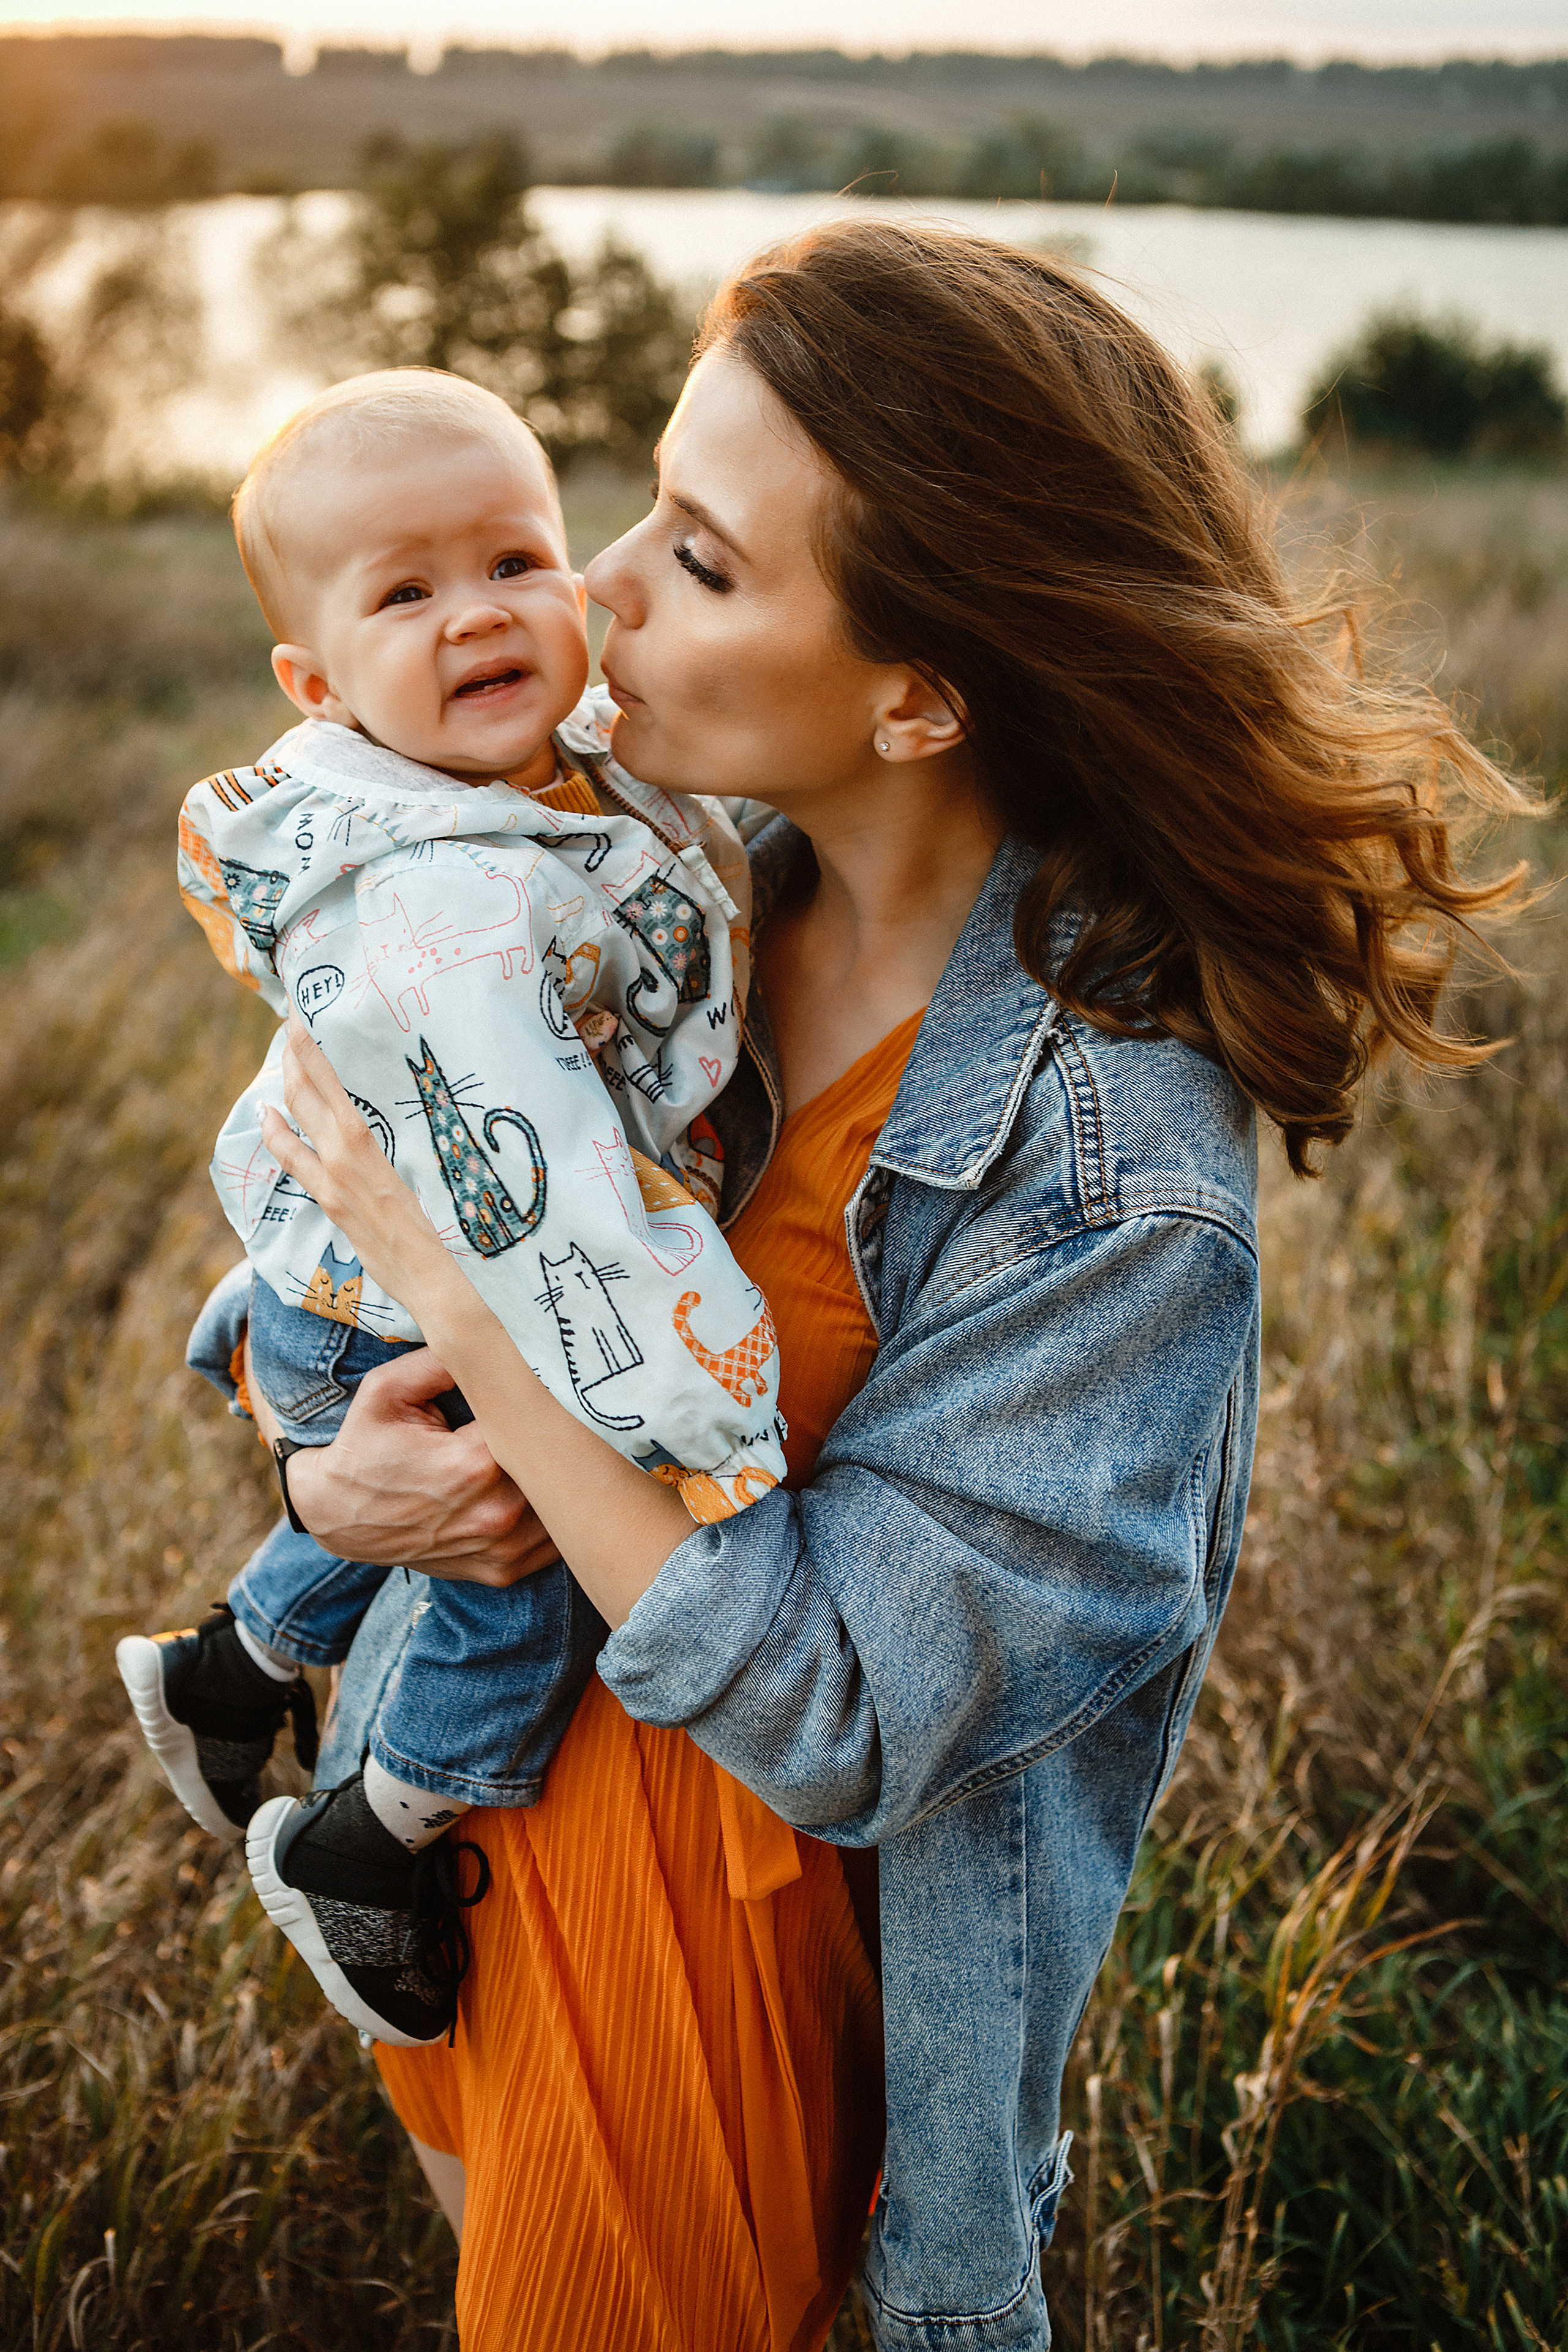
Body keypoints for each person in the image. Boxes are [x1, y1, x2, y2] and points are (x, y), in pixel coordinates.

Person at [222, 222, 1526, 2349]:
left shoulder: (1107, 1181)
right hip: (467, 1872)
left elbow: (837, 1710)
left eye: (706, 563)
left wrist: (474, 1333)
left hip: (719, 2002)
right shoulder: (649, 905)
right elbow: (323, 1273)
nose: (599, 589)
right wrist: (321, 1485)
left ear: (922, 694)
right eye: (639, 502)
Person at [117, 368, 786, 2050]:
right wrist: (696, 1405)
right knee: (533, 1564)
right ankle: (374, 1842)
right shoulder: (442, 901)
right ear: (317, 682)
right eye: (406, 594)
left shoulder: (546, 775)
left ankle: (228, 1676)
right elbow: (545, 1203)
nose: (476, 616)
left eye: (510, 560)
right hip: (395, 1296)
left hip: (351, 1287)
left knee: (425, 1501)